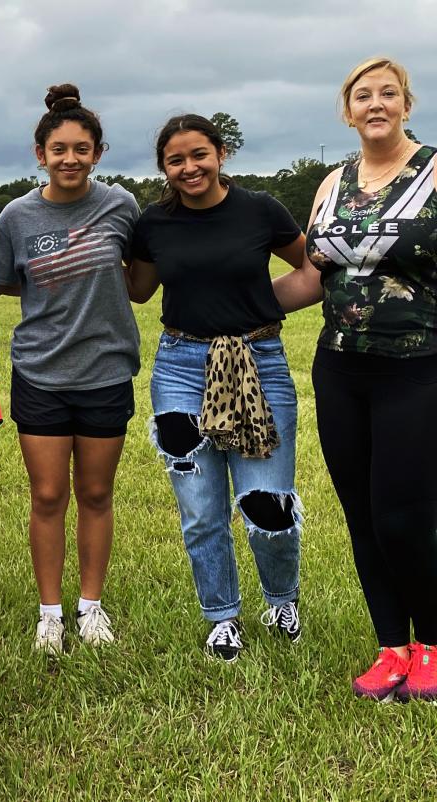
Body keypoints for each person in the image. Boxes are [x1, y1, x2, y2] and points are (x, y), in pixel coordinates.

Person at [276, 57, 437, 701]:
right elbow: (314, 277)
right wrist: (230, 304)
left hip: (418, 366)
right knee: (362, 514)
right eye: (363, 95)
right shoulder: (332, 182)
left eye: (388, 93)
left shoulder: (432, 172)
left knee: (406, 514)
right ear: (348, 111)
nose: (376, 103)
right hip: (341, 368)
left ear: (406, 104)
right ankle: (391, 646)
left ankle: (430, 645)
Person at [127, 114, 307, 663]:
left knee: (265, 502)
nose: (189, 168)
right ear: (164, 167)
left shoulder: (260, 209)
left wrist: (257, 308)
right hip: (181, 365)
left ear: (221, 153)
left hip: (260, 361)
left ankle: (281, 599)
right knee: (203, 508)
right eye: (176, 160)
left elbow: (310, 271)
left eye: (198, 155)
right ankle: (222, 617)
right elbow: (138, 291)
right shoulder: (154, 223)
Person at [0, 85, 140, 653]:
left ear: (98, 153)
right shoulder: (17, 216)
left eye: (82, 149)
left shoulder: (121, 205)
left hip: (105, 372)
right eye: (59, 149)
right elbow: (2, 280)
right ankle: (49, 612)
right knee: (48, 496)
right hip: (41, 372)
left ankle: (90, 608)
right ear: (40, 153)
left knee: (97, 494)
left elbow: (142, 278)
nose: (70, 159)